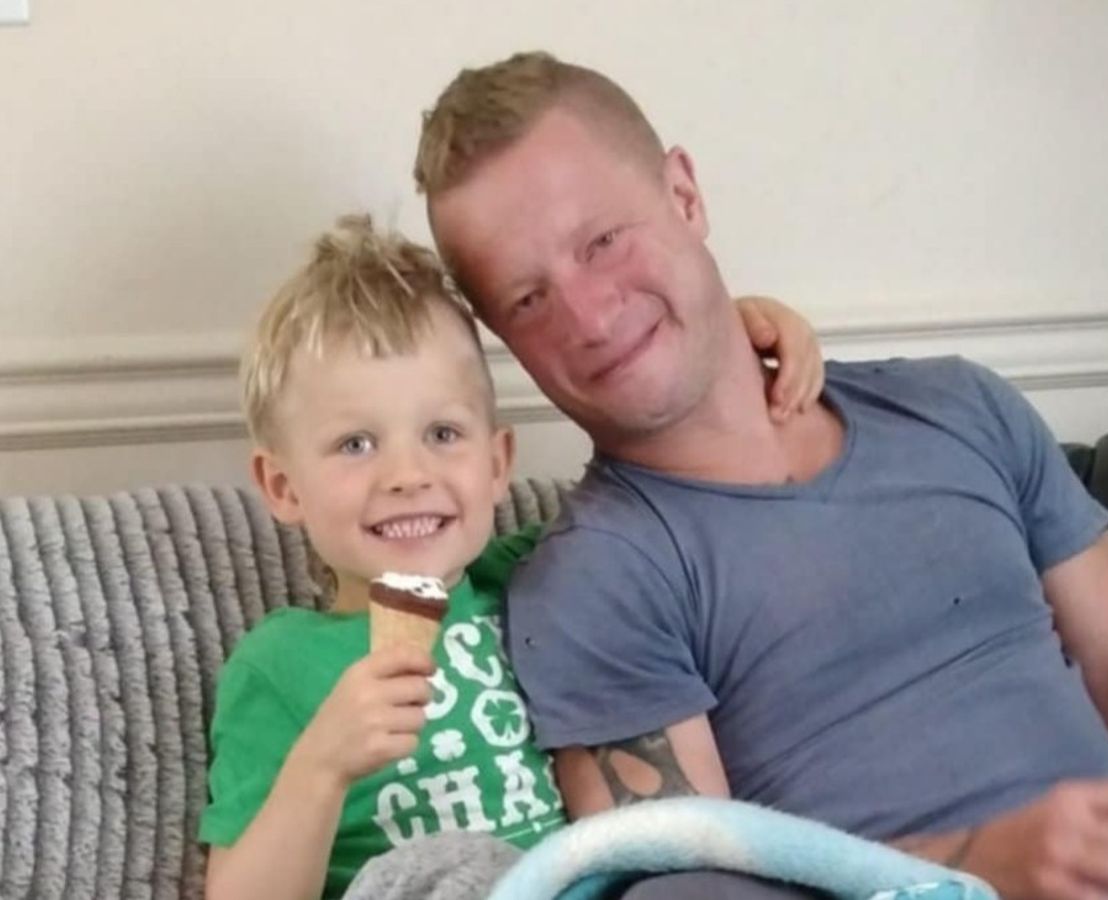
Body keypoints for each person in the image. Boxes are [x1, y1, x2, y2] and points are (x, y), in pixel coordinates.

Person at [417, 51, 1108, 900]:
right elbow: (685, 882)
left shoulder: (957, 406)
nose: (591, 317)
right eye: (528, 299)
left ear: (684, 194)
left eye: (602, 242)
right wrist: (981, 863)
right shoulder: (595, 579)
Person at [198, 213, 824, 899]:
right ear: (283, 488)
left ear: (497, 464)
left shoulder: (537, 579)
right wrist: (321, 768)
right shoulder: (279, 663)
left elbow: (671, 495)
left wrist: (736, 344)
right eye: (356, 444)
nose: (407, 475)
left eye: (443, 433)